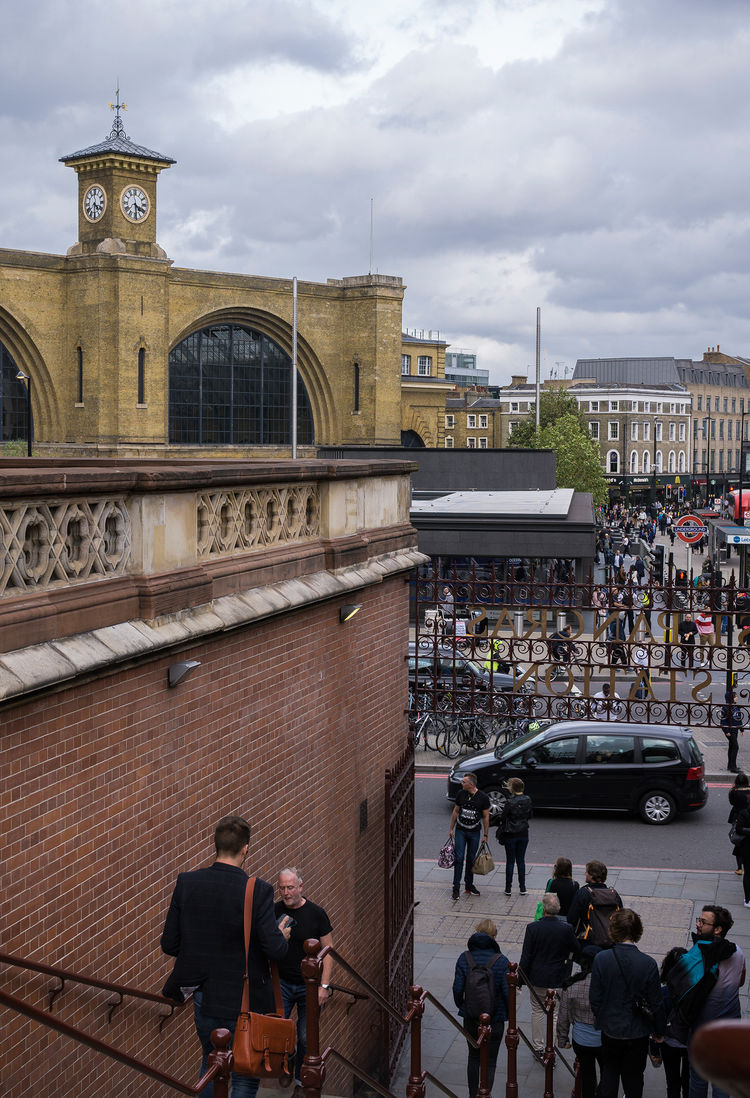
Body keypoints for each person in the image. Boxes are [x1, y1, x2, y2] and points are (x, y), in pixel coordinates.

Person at [160, 815, 291, 1098]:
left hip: (203, 998)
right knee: (244, 1073)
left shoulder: (187, 883)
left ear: (215, 845)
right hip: (244, 1001)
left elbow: (170, 944)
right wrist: (282, 935)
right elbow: (275, 950)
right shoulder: (257, 890)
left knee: (211, 1065)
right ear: (245, 848)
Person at [589, 908, 665, 1098]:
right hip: (637, 1032)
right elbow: (656, 1002)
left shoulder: (601, 959)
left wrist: (604, 1017)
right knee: (634, 1079)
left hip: (611, 1029)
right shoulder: (647, 963)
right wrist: (659, 1031)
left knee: (609, 1074)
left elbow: (595, 998)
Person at [274, 867, 334, 1083]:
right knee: (278, 1030)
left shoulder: (316, 913)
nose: (286, 892)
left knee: (306, 1037)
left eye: (290, 887)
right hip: (282, 982)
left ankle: (300, 1082)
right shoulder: (275, 911)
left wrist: (324, 987)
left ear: (300, 887)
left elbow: (328, 952)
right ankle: (288, 1059)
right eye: (282, 888)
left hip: (310, 986)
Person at [687, 905, 746, 1098]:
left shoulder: (699, 953)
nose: (697, 924)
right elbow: (740, 981)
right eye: (699, 920)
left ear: (718, 929)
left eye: (703, 922)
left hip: (702, 1028)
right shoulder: (737, 951)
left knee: (697, 1080)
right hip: (729, 1026)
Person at [452, 918, 509, 1098]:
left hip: (471, 1017)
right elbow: (507, 994)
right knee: (490, 1062)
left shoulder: (465, 958)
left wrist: (463, 1006)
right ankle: (485, 1094)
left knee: (473, 1058)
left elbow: (457, 989)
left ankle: (471, 1095)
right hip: (495, 1018)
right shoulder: (501, 961)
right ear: (494, 937)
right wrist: (505, 1014)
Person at [519, 893, 581, 1055]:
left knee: (537, 1011)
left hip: (537, 977)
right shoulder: (566, 929)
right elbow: (577, 949)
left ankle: (538, 1047)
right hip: (558, 978)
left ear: (544, 908)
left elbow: (526, 956)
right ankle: (550, 1047)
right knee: (554, 1014)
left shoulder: (533, 928)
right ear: (558, 908)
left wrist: (520, 980)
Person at [557, 952, 602, 1098]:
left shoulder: (572, 985)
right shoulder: (606, 984)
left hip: (581, 1039)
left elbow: (563, 1015)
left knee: (587, 1076)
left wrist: (563, 1039)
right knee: (608, 1074)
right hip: (603, 1038)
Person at [449, 772, 490, 901]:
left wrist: (485, 834)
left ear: (471, 784)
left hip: (474, 833)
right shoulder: (461, 794)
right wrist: (451, 828)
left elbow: (486, 816)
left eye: (464, 782)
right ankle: (456, 887)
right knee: (459, 858)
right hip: (461, 830)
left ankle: (469, 885)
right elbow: (456, 811)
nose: (462, 783)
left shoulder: (483, 797)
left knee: (471, 859)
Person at [659, 947, 690, 1098]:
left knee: (672, 1082)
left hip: (669, 1042)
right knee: (688, 1082)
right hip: (689, 1041)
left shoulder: (664, 993)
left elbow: (658, 1020)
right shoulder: (695, 991)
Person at [567, 860, 623, 944]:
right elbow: (621, 918)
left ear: (592, 875)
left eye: (586, 872)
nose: (585, 874)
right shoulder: (614, 895)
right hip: (611, 940)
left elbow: (571, 918)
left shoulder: (583, 893)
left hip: (588, 940)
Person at [497, 777, 532, 895]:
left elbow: (502, 818)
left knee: (510, 861)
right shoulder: (528, 799)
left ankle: (508, 888)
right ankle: (523, 888)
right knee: (521, 861)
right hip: (523, 833)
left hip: (511, 834)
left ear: (512, 788)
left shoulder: (510, 802)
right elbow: (530, 815)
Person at [728, 772, 750, 874]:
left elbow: (732, 803)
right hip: (748, 818)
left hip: (737, 818)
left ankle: (739, 868)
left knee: (739, 842)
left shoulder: (733, 791)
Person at [719, 691, 744, 773]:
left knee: (732, 747)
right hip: (730, 731)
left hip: (735, 730)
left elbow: (739, 718)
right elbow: (723, 722)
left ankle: (730, 766)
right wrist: (726, 731)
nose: (737, 698)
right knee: (735, 747)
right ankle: (733, 767)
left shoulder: (736, 707)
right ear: (730, 699)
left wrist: (741, 729)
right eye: (735, 696)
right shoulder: (726, 708)